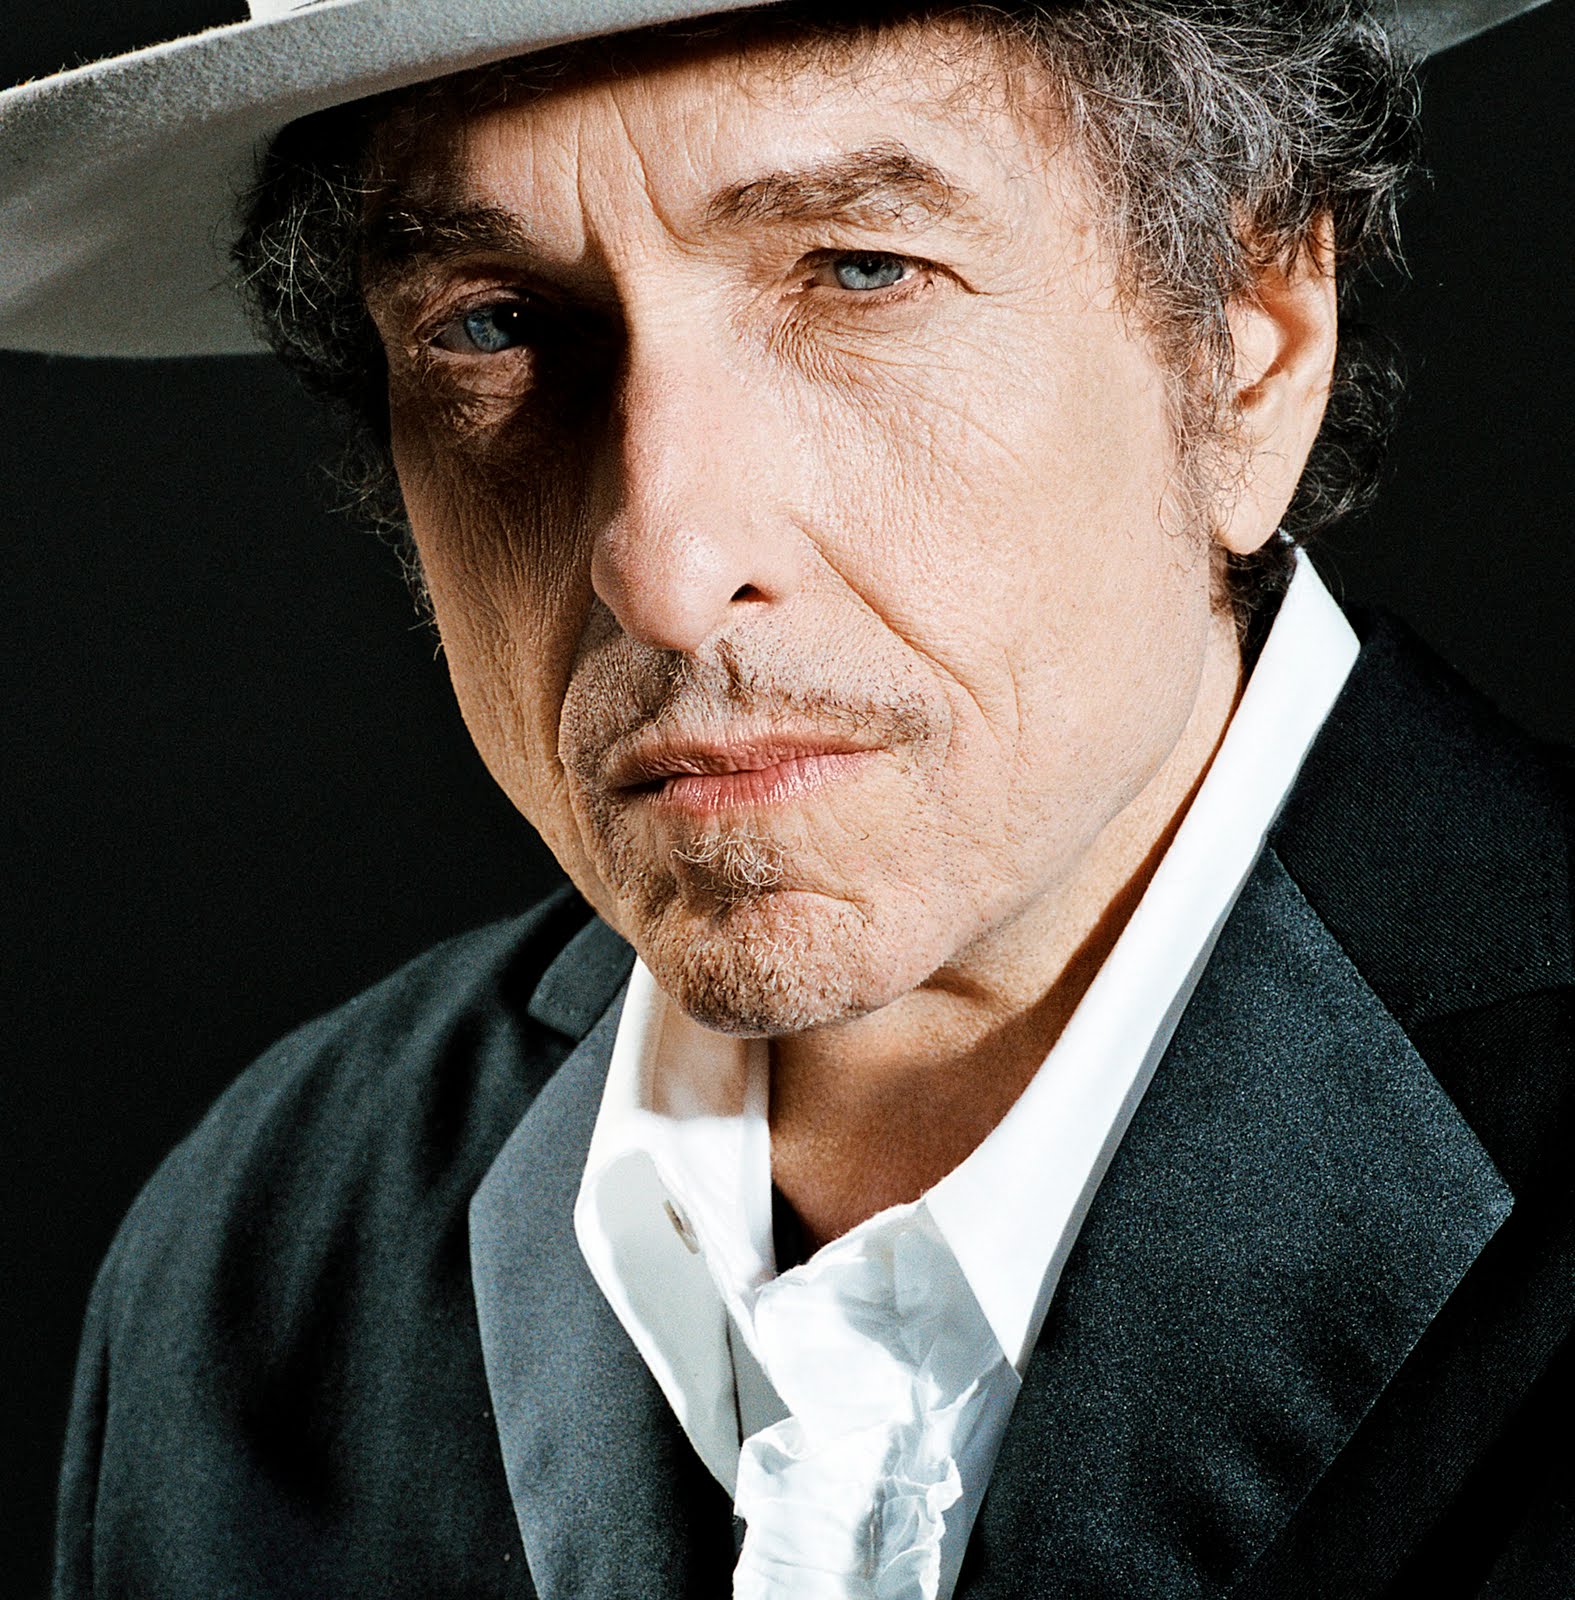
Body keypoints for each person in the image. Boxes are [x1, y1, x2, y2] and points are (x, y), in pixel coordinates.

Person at [4, 0, 1570, 1595]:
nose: (666, 568)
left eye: (859, 271)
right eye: (491, 325)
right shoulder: (256, 1260)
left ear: (1251, 345)